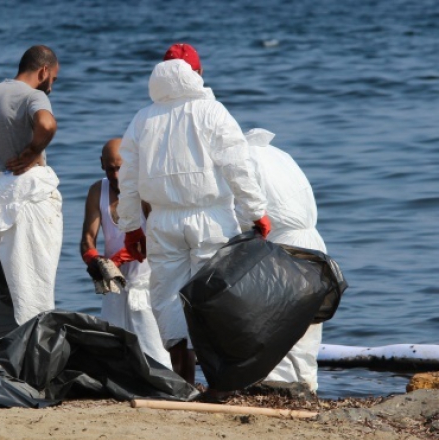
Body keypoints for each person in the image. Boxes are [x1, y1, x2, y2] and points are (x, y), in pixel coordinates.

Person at [117, 43, 271, 384]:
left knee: (168, 299)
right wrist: (255, 212)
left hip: (161, 220)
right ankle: (218, 381)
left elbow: (126, 178)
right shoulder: (212, 112)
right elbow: (238, 166)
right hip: (211, 217)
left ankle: (182, 382)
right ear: (197, 74)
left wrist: (131, 228)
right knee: (214, 297)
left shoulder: (143, 118)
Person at [0, 45, 63, 325]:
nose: (52, 87)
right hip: (27, 200)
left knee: (2, 293)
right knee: (33, 288)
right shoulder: (32, 95)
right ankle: (33, 359)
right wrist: (33, 150)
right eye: (54, 79)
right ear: (43, 71)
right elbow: (47, 124)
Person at [240, 128, 327, 392]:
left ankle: (279, 385)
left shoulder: (246, 162)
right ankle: (308, 385)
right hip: (312, 243)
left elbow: (245, 211)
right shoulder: (280, 157)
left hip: (282, 246)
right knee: (307, 323)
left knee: (276, 320)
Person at [80, 138, 172, 368]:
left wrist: (118, 259)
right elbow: (87, 239)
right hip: (116, 285)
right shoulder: (97, 191)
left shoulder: (146, 191)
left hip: (146, 284)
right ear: (102, 164)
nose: (116, 175)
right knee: (113, 350)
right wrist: (93, 259)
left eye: (121, 168)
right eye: (110, 168)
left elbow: (156, 241)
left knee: (155, 352)